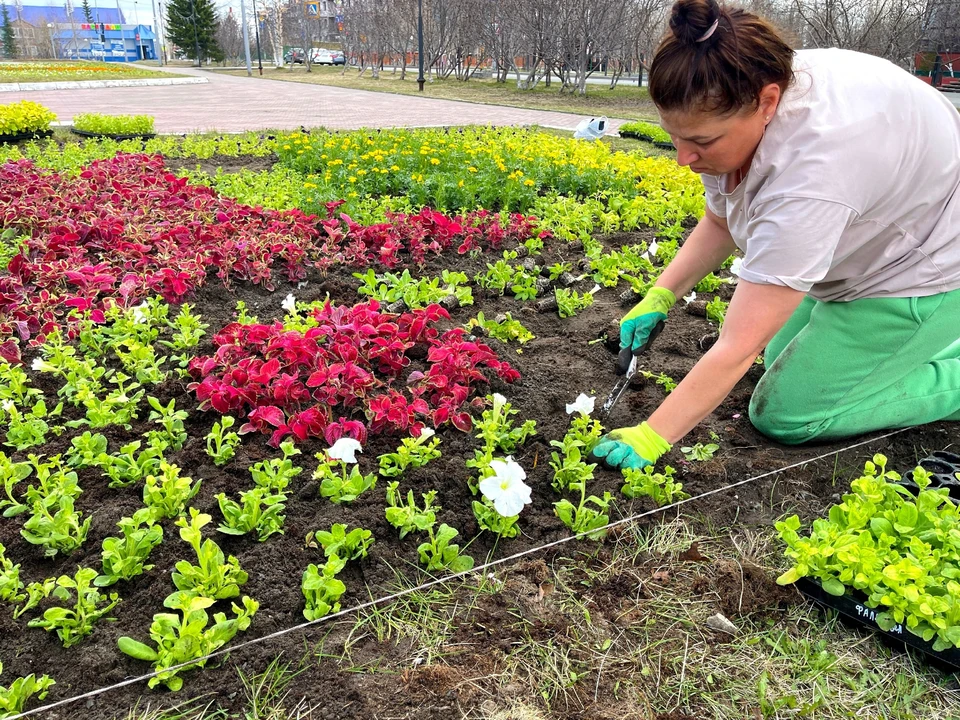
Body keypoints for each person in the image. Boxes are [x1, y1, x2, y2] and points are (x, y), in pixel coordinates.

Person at [589, 0, 960, 471]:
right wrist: (661, 294)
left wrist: (652, 434)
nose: (684, 158)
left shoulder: (812, 177)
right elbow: (721, 221)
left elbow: (737, 346)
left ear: (767, 103)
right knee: (781, 360)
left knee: (787, 413)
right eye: (675, 136)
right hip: (877, 235)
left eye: (701, 143)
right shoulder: (739, 84)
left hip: (927, 269)